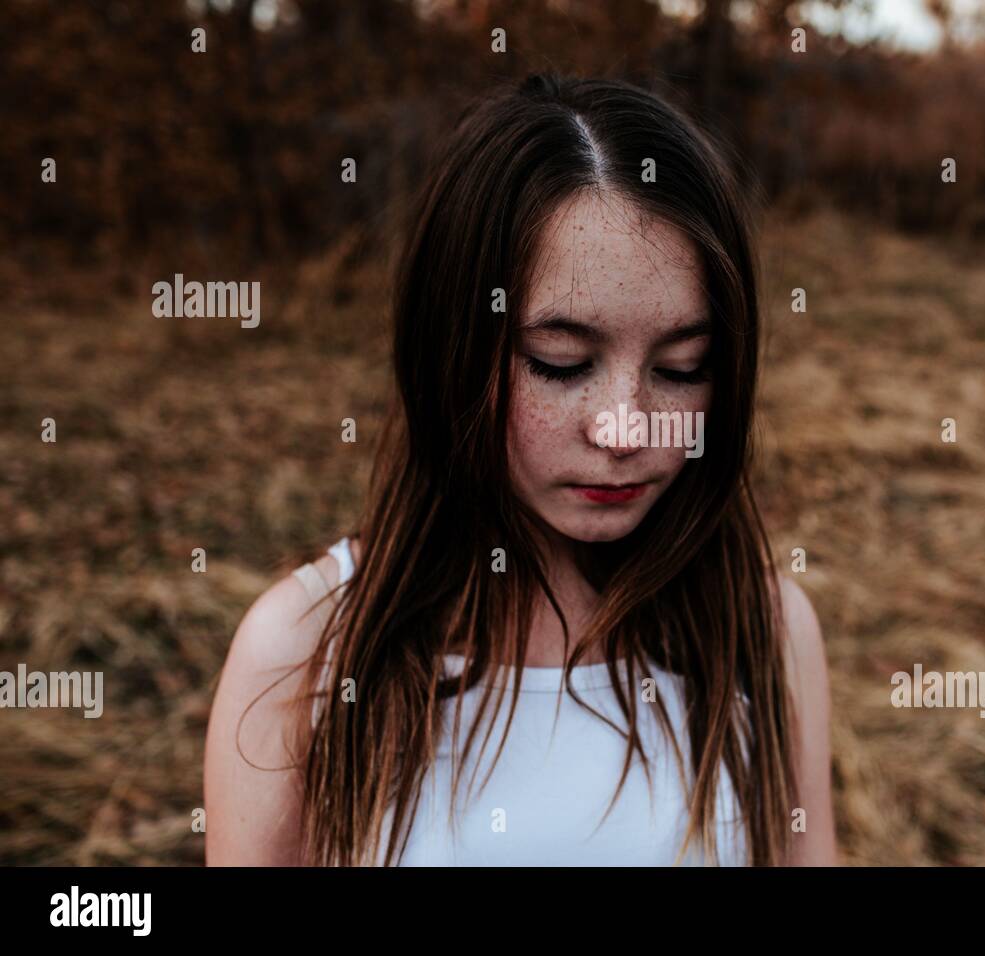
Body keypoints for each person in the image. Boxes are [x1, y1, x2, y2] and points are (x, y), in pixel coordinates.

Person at [203, 72, 835, 866]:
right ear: (453, 351)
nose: (625, 429)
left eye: (682, 367)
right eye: (560, 363)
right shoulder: (305, 650)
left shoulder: (766, 630)